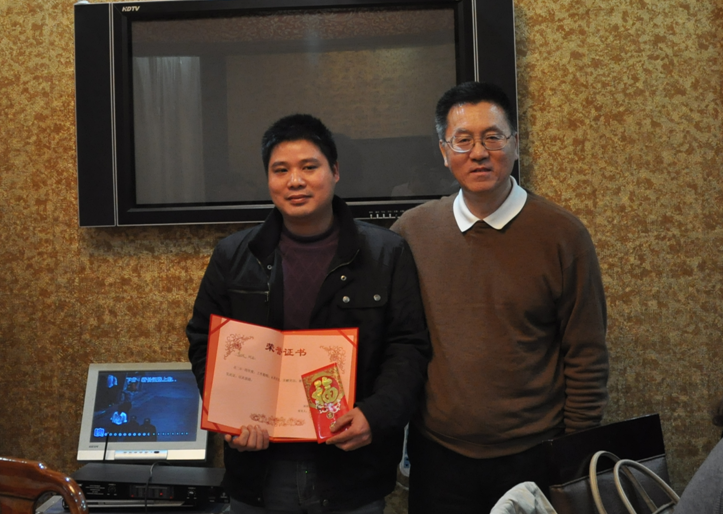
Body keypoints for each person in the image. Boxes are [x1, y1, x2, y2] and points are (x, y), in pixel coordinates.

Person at [187, 114, 431, 514]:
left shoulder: (386, 253)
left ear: (335, 171)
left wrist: (375, 415)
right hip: (259, 470)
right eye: (280, 170)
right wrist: (230, 416)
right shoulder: (233, 256)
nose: (295, 181)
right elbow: (203, 342)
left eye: (309, 167)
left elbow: (408, 347)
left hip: (351, 469)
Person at [391, 81, 609, 513]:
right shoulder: (411, 232)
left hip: (535, 454)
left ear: (516, 144)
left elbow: (586, 352)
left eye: (493, 137)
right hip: (438, 455)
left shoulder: (563, 235)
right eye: (463, 140)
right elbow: (395, 343)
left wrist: (573, 450)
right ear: (444, 151)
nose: (479, 152)